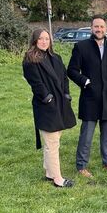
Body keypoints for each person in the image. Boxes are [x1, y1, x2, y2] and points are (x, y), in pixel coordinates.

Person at [67, 15, 107, 177]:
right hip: (90, 98)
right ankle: (81, 166)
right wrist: (84, 81)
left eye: (102, 27)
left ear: (106, 29)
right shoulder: (81, 47)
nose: (99, 29)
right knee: (86, 135)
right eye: (96, 27)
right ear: (91, 28)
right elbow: (71, 70)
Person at [23, 28, 76, 187]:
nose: (44, 41)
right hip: (46, 105)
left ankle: (49, 172)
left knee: (54, 140)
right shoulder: (31, 60)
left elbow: (64, 78)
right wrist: (48, 98)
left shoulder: (56, 57)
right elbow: (36, 84)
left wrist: (66, 94)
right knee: (52, 142)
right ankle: (57, 178)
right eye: (41, 39)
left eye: (47, 38)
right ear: (35, 40)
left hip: (60, 103)